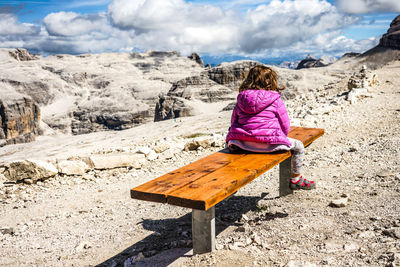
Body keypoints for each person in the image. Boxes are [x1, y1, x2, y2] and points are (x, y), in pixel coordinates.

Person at [226, 65, 315, 190]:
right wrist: (280, 138)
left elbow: (233, 121)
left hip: (242, 144)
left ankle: (229, 174)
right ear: (271, 80)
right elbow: (285, 124)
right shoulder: (275, 98)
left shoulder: (241, 98)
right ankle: (296, 179)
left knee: (229, 140)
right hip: (270, 145)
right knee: (299, 145)